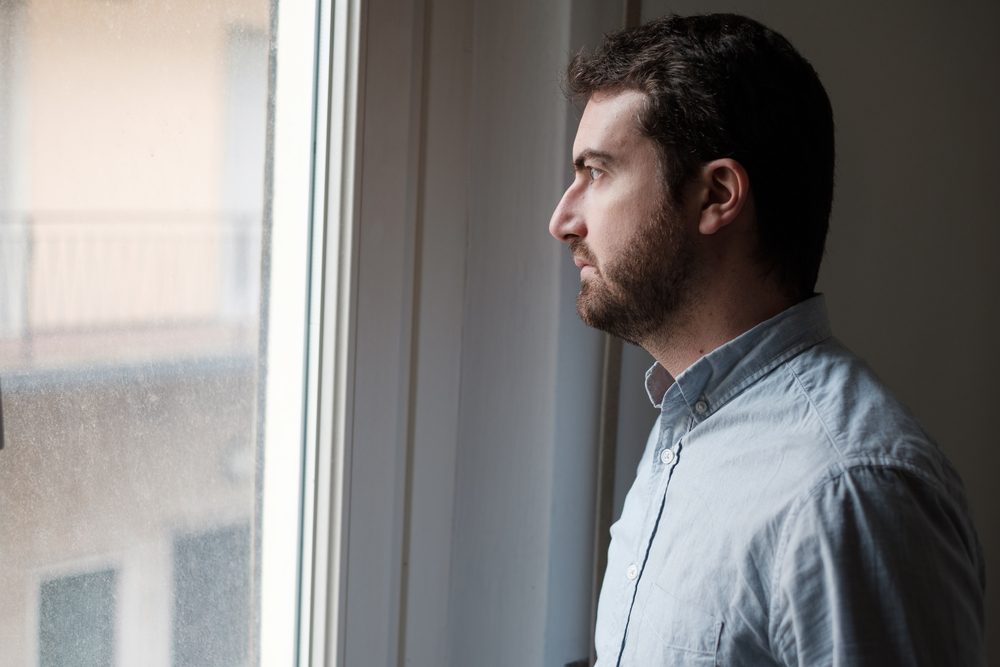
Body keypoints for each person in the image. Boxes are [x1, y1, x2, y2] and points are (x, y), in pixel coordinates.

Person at [548, 13, 985, 666]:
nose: (563, 218)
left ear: (717, 194)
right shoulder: (688, 423)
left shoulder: (848, 489)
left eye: (598, 172)